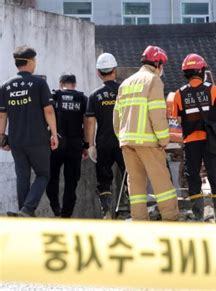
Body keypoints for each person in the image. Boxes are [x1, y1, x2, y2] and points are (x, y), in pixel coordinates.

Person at [113, 45, 179, 221]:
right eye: (162, 64)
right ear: (157, 63)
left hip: (127, 141)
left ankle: (139, 220)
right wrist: (164, 139)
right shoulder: (153, 80)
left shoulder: (125, 84)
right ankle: (171, 219)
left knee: (135, 184)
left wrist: (122, 137)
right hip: (148, 142)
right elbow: (156, 113)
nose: (162, 68)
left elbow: (116, 117)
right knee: (162, 182)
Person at [171, 53, 216, 222]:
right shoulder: (213, 90)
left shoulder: (179, 94)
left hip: (191, 141)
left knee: (193, 176)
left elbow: (177, 119)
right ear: (201, 71)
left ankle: (198, 217)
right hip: (210, 140)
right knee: (213, 174)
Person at [0, 46, 58, 217]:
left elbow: (2, 115)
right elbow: (48, 111)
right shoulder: (39, 83)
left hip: (16, 141)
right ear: (30, 61)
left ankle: (24, 214)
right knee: (43, 175)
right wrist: (54, 134)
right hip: (37, 139)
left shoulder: (6, 86)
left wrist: (1, 137)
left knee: (22, 177)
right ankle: (27, 209)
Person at [86, 53, 127, 219]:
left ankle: (107, 212)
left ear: (98, 72)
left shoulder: (95, 95)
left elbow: (90, 122)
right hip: (124, 141)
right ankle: (132, 211)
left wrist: (90, 145)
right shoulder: (124, 92)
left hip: (103, 142)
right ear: (115, 70)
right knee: (130, 176)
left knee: (104, 178)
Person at [46, 74, 88, 218]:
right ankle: (66, 214)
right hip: (75, 144)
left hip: (56, 142)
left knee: (52, 177)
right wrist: (86, 145)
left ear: (60, 83)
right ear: (74, 84)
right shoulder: (82, 99)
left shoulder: (54, 96)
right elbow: (87, 122)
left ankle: (55, 207)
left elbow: (47, 115)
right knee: (71, 181)